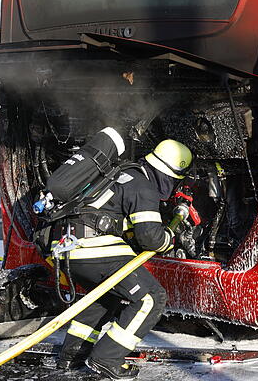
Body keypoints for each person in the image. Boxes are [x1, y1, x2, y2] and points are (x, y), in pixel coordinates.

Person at [55, 139, 193, 380]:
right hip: (94, 248)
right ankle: (107, 359)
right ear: (169, 175)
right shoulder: (144, 186)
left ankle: (71, 356)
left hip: (67, 246)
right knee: (151, 298)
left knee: (106, 297)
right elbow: (151, 238)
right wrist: (169, 238)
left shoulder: (124, 173)